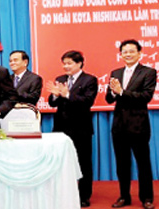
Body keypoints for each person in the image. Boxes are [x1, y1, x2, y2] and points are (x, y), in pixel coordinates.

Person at [106, 39, 156, 209]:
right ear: (120, 55)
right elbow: (108, 99)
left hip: (138, 125)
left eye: (131, 51)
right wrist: (114, 93)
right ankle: (124, 196)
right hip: (119, 125)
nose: (127, 54)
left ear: (139, 53)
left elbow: (145, 97)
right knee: (122, 164)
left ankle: (147, 198)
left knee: (143, 163)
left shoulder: (148, 72)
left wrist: (122, 92)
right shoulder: (116, 72)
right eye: (124, 52)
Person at [46, 50, 98, 208]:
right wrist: (55, 96)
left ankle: (83, 196)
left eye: (69, 63)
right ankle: (60, 193)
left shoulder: (90, 80)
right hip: (61, 127)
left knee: (83, 162)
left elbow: (87, 102)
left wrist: (67, 94)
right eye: (64, 63)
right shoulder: (60, 79)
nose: (65, 66)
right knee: (58, 161)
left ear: (79, 63)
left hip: (81, 128)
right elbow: (52, 103)